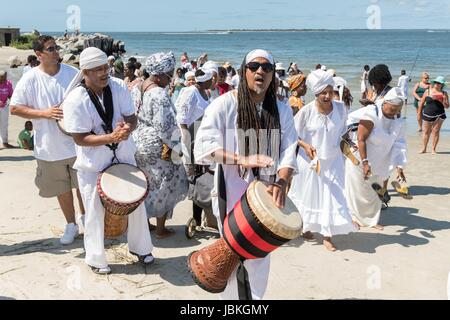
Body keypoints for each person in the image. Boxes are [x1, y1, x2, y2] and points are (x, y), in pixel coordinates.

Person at [194, 49, 298, 300]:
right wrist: (241, 158)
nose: (260, 71)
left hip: (267, 195)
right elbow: (203, 147)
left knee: (259, 257)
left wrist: (282, 182)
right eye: (254, 66)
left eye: (266, 67)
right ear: (244, 71)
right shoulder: (224, 105)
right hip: (231, 192)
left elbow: (289, 150)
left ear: (273, 75)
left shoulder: (281, 110)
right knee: (231, 255)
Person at [63, 47, 155, 275]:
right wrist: (110, 137)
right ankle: (95, 258)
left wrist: (126, 129)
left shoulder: (119, 86)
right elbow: (79, 138)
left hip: (123, 154)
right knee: (94, 211)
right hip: (93, 163)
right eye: (97, 70)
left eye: (106, 67)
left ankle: (141, 248)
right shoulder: (76, 98)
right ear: (85, 72)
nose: (104, 73)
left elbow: (132, 118)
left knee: (137, 203)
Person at [10, 35, 85, 245]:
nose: (56, 52)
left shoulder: (72, 73)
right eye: (51, 49)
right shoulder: (30, 78)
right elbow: (15, 108)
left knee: (83, 187)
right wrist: (45, 113)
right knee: (61, 189)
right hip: (48, 147)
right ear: (39, 54)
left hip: (78, 143)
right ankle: (71, 225)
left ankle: (88, 220)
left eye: (56, 48)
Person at [288, 69, 357, 252]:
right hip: (311, 162)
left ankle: (327, 236)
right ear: (315, 93)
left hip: (333, 161)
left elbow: (343, 132)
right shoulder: (306, 111)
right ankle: (308, 227)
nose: (327, 96)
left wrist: (349, 142)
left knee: (331, 197)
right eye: (322, 93)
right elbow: (292, 133)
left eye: (330, 91)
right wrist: (304, 145)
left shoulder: (342, 108)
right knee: (309, 196)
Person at [132, 52, 189, 239]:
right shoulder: (159, 94)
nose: (170, 78)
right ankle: (161, 229)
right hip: (156, 146)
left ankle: (145, 223)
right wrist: (178, 147)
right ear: (160, 74)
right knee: (164, 184)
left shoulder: (138, 87)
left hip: (138, 142)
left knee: (145, 184)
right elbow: (165, 127)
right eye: (169, 74)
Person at [345, 88, 407, 230]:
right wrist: (365, 162)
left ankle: (371, 221)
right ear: (384, 103)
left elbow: (399, 143)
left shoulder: (398, 119)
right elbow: (361, 139)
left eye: (397, 110)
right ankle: (354, 218)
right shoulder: (371, 114)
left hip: (381, 160)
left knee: (374, 191)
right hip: (360, 157)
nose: (394, 113)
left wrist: (399, 166)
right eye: (391, 110)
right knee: (357, 190)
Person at [175, 68, 214, 238]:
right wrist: (189, 146)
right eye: (211, 79)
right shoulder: (191, 92)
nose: (213, 82)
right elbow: (182, 120)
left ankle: (204, 217)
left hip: (203, 139)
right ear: (205, 80)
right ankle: (196, 219)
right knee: (196, 178)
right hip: (192, 138)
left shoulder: (205, 93)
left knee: (205, 177)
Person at [418, 76, 449, 154]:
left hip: (440, 114)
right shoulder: (427, 91)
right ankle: (424, 149)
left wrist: (442, 100)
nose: (437, 84)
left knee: (436, 131)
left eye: (439, 83)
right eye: (436, 82)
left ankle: (433, 149)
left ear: (442, 85)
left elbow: (447, 107)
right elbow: (421, 103)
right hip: (428, 114)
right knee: (426, 132)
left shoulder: (444, 93)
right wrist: (419, 113)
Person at [0, 70, 14, 148]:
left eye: (4, 78)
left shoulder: (8, 83)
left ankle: (5, 142)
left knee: (4, 125)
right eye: (1, 78)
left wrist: (11, 101)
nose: (3, 80)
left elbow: (10, 95)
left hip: (4, 107)